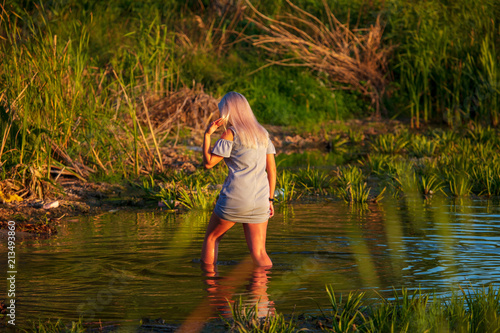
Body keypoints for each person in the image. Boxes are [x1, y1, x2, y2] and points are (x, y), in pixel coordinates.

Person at [201, 91, 276, 267]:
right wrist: (270, 200)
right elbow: (272, 169)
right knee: (259, 253)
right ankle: (262, 293)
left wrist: (207, 135)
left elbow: (208, 163)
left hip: (236, 197)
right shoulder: (263, 133)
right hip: (261, 199)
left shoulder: (230, 134)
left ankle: (211, 287)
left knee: (212, 239)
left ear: (228, 111)